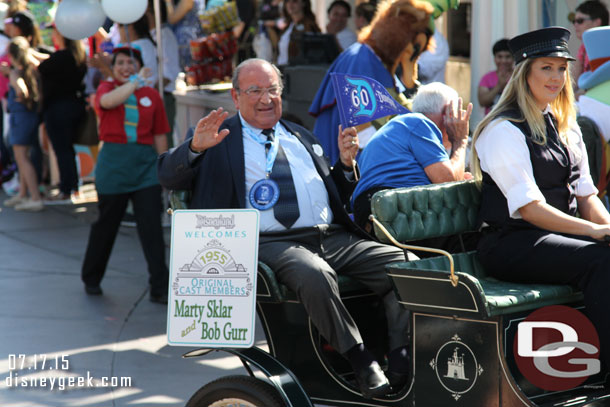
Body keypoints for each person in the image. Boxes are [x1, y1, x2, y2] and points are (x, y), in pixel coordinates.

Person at [158, 58, 412, 398]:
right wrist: (194, 148)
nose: (266, 99)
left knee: (407, 266)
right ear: (235, 97)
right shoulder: (217, 139)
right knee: (314, 273)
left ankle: (399, 358)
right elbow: (167, 175)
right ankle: (361, 361)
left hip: (332, 236)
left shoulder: (300, 134)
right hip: (270, 242)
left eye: (273, 90)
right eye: (255, 91)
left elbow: (333, 194)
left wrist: (347, 167)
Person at [471, 27, 610, 368]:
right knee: (600, 261)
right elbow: (530, 210)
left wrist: (606, 228)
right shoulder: (502, 129)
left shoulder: (567, 127)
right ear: (523, 74)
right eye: (546, 67)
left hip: (555, 237)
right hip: (510, 243)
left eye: (562, 68)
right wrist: (593, 233)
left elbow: (588, 196)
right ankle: (606, 371)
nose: (556, 77)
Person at [81, 45, 170, 304]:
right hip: (114, 167)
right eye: (120, 63)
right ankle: (91, 277)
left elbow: (160, 134)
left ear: (139, 66)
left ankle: (159, 286)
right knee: (106, 226)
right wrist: (133, 84)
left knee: (151, 228)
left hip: (145, 168)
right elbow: (108, 103)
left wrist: (164, 169)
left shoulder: (152, 96)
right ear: (113, 66)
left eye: (131, 63)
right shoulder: (106, 89)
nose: (126, 67)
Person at [352, 82, 472, 232]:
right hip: (392, 211)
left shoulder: (402, 125)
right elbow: (448, 182)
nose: (460, 121)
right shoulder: (419, 122)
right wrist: (461, 140)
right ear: (448, 112)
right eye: (457, 113)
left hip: (379, 212)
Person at [38, 25, 87, 202]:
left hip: (59, 109)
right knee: (67, 150)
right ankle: (72, 187)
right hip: (73, 106)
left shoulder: (61, 57)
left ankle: (68, 189)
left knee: (63, 150)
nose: (52, 35)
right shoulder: (78, 56)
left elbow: (41, 68)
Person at [3, 36, 42, 211]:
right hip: (29, 117)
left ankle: (34, 197)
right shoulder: (32, 69)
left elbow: (21, 89)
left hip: (21, 118)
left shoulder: (15, 72)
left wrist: (20, 92)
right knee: (23, 157)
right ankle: (23, 194)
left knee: (22, 158)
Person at [571, 0, 609, 94]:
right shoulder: (583, 48)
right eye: (574, 21)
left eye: (580, 21)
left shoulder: (606, 46)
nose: (575, 25)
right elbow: (572, 83)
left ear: (597, 22)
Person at [276, 0, 320, 66]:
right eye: (287, 1)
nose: (290, 4)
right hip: (282, 70)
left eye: (295, 1)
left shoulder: (310, 26)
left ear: (304, 3)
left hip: (298, 72)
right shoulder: (287, 27)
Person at [164, 0, 205, 68]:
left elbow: (172, 19)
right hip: (191, 38)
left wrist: (168, 2)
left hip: (187, 39)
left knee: (189, 67)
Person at [477, 38, 513, 115]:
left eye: (507, 57)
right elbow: (482, 101)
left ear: (513, 58)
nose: (503, 61)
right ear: (494, 58)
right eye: (499, 57)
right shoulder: (487, 78)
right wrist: (499, 86)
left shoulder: (519, 76)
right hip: (491, 123)